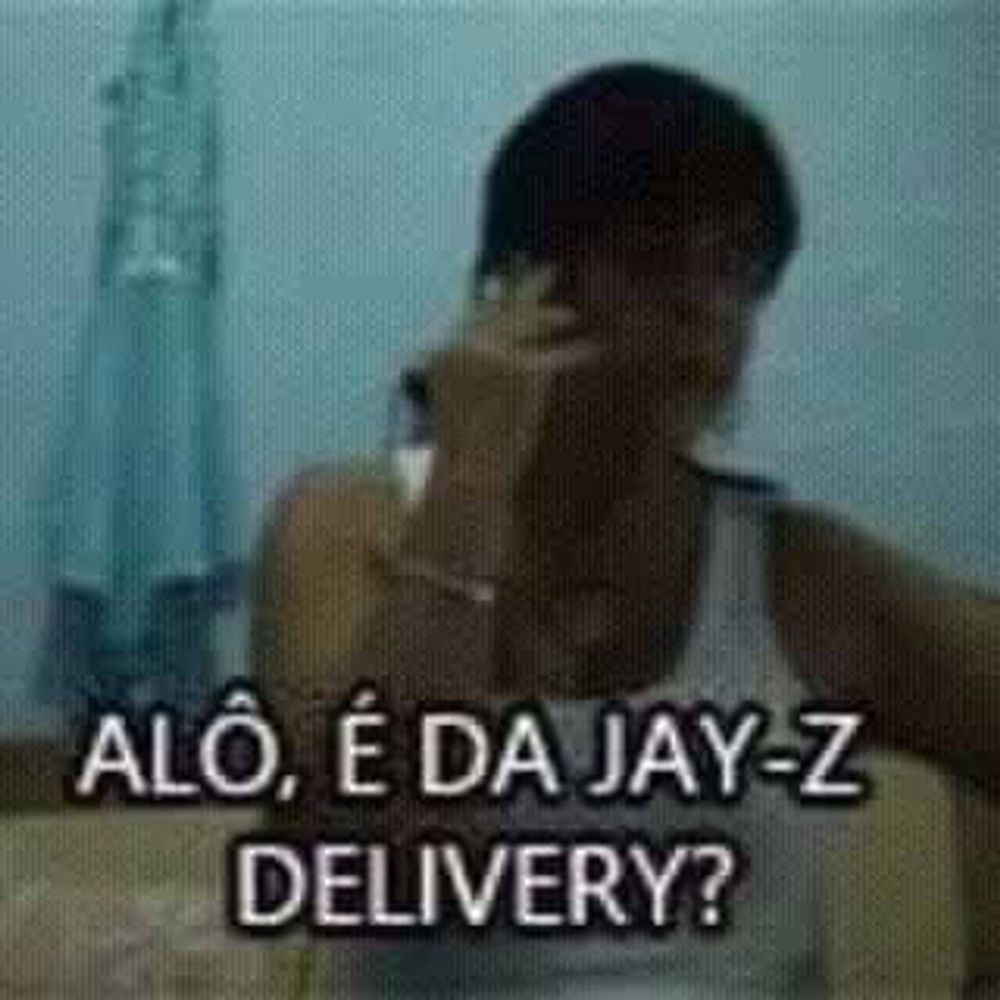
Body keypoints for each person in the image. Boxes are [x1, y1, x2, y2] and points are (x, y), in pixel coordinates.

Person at [251, 62, 1000, 997]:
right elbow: (374, 858)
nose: (701, 303)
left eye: (735, 265)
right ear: (519, 287)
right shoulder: (344, 526)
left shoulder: (799, 574)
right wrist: (469, 481)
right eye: (650, 254)